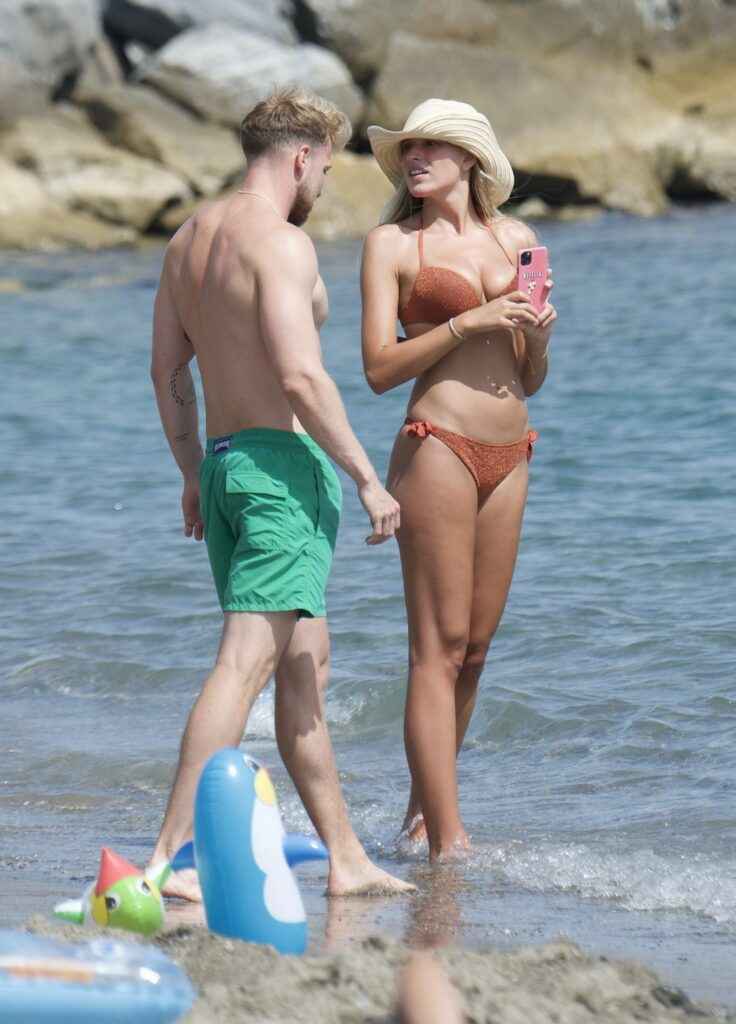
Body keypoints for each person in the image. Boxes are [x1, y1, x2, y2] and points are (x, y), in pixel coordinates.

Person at [149, 87, 414, 899]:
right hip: (279, 475)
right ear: (301, 158)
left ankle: (346, 858)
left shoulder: (189, 241)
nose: (323, 186)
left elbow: (168, 373)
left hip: (227, 466)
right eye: (326, 170)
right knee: (242, 666)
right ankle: (170, 858)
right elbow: (301, 375)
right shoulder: (281, 244)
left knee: (306, 673)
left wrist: (193, 474)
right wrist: (366, 477)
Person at [360, 99, 557, 862]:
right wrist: (463, 324)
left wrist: (539, 342)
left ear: (470, 158)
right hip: (436, 445)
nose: (415, 158)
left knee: (474, 650)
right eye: (409, 148)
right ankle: (449, 840)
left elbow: (529, 378)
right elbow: (378, 369)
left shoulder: (519, 240)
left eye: (432, 147)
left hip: (511, 451)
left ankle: (422, 813)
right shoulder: (392, 244)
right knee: (435, 650)